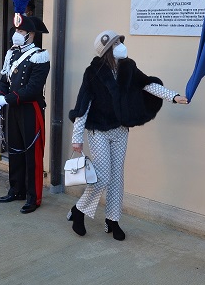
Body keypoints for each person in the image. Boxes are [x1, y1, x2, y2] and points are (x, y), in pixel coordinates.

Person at [67, 30, 189, 240]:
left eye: (120, 42)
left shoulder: (128, 67)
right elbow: (82, 106)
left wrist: (173, 96)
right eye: (116, 44)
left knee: (116, 176)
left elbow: (148, 84)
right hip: (99, 131)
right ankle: (79, 211)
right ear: (107, 50)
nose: (121, 46)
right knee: (103, 176)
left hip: (120, 130)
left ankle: (112, 220)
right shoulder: (93, 72)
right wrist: (76, 138)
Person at [0, 13, 50, 214]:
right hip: (12, 108)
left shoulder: (40, 56)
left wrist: (6, 99)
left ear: (31, 34)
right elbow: (4, 81)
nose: (16, 34)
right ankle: (16, 189)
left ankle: (34, 197)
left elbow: (33, 89)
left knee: (32, 154)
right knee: (14, 150)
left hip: (30, 109)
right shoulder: (12, 54)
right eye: (16, 30)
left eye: (21, 31)